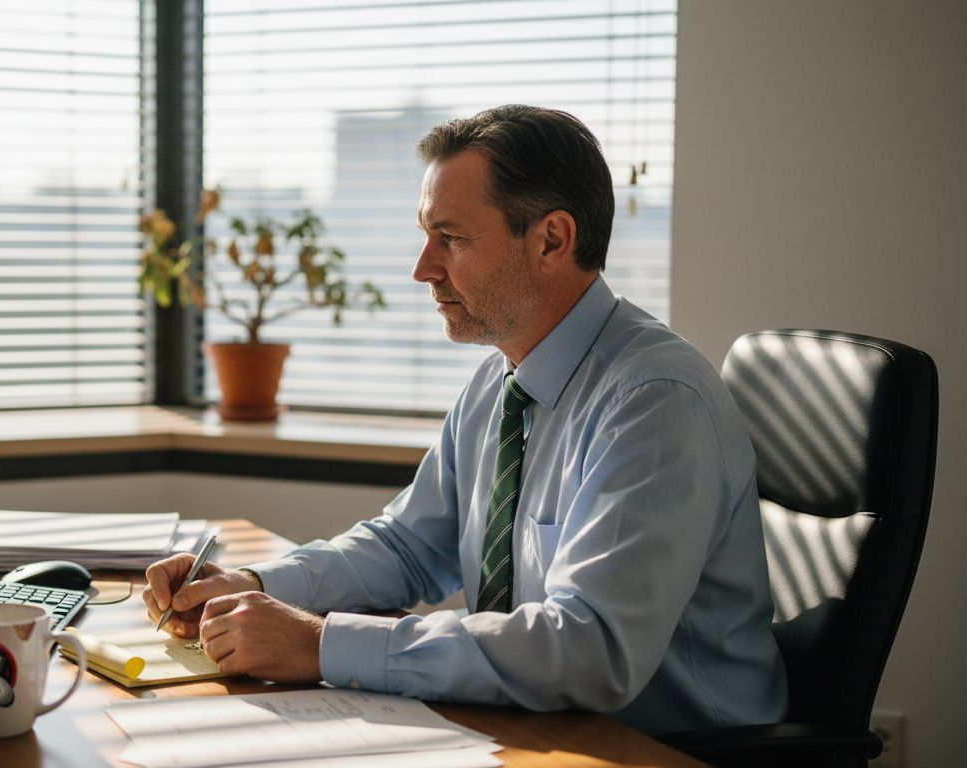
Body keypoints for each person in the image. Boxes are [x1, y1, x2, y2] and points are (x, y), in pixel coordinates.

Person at [144, 104, 787, 735]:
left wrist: (319, 644)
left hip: (671, 748)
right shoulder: (498, 382)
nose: (423, 268)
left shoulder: (654, 401)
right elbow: (407, 547)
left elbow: (589, 648)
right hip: (536, 728)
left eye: (450, 239)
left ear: (551, 240)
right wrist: (252, 584)